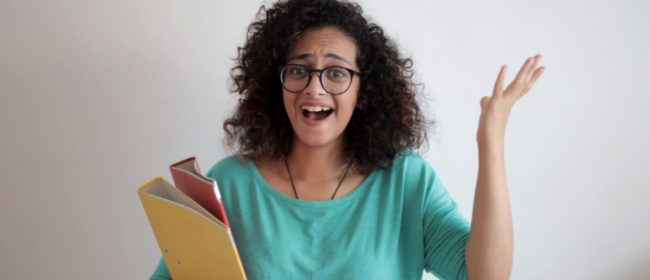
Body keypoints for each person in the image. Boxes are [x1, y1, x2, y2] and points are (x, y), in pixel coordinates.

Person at [149, 0, 545, 279]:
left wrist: (489, 140)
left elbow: (487, 275)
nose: (314, 88)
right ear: (277, 84)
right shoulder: (229, 185)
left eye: (336, 73)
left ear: (364, 90)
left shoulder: (406, 181)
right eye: (299, 70)